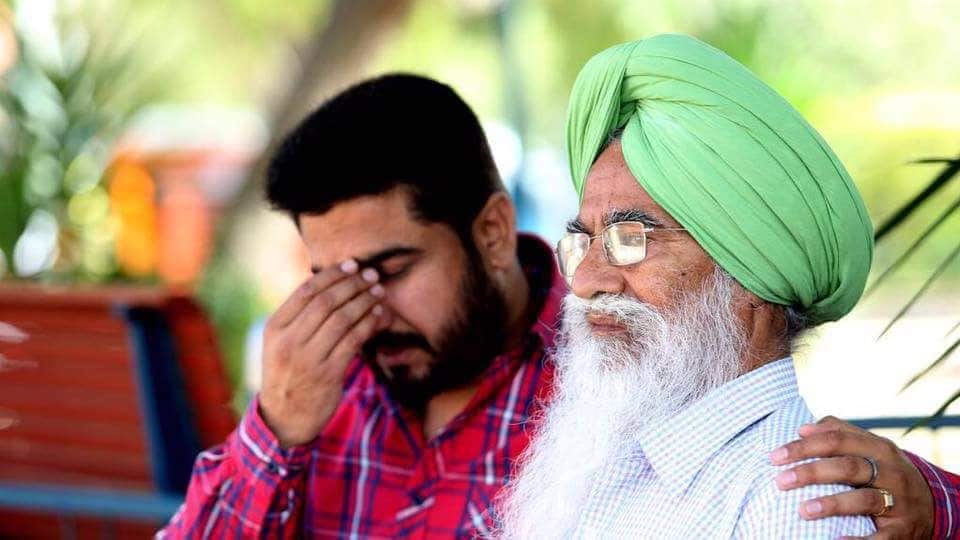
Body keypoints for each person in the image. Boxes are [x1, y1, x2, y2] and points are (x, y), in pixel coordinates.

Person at [159, 73, 957, 539]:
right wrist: (273, 432)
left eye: (390, 267)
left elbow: (779, 456)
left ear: (494, 231)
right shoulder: (328, 388)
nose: (356, 309)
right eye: (327, 276)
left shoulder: (612, 380)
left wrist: (936, 506)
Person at [497, 34, 955, 539]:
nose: (584, 281)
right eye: (583, 242)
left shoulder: (793, 501)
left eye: (632, 239)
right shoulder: (608, 458)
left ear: (752, 274)